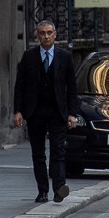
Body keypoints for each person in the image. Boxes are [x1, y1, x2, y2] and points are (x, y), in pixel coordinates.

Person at [13, 20, 79, 204]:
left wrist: (72, 113)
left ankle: (59, 188)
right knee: (38, 153)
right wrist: (18, 111)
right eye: (42, 33)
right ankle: (42, 191)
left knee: (58, 151)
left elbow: (71, 88)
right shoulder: (29, 57)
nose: (46, 36)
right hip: (35, 112)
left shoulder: (65, 57)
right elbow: (20, 86)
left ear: (55, 35)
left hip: (58, 111)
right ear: (37, 36)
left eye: (49, 32)